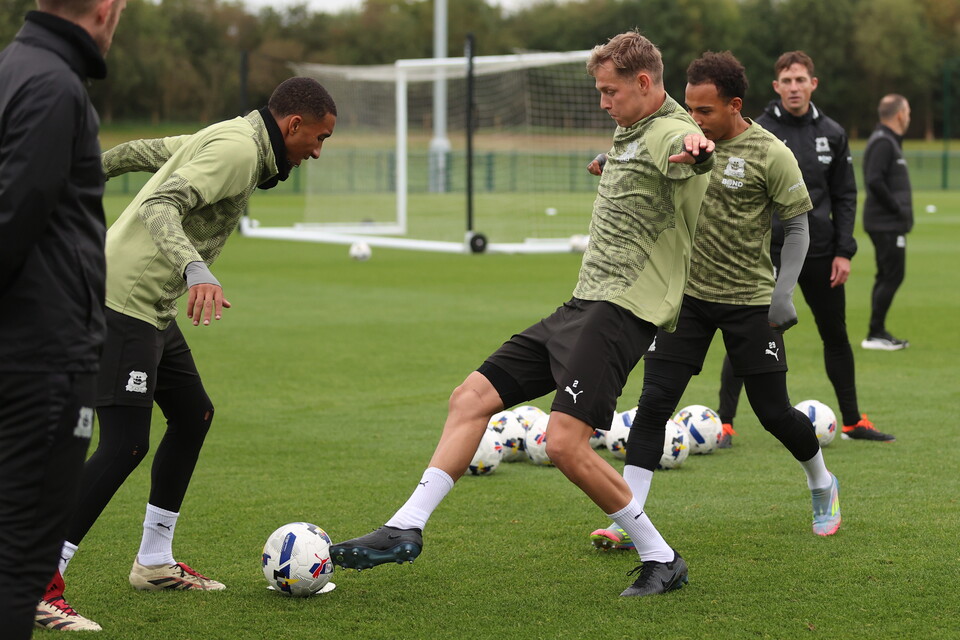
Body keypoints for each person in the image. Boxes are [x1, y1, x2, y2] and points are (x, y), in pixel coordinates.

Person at [329, 31, 715, 598]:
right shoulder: (632, 128)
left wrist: (699, 149)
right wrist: (610, 159)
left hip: (622, 311)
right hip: (582, 305)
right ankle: (405, 527)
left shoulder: (669, 132)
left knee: (563, 444)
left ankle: (662, 557)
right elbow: (642, 148)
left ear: (643, 83)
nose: (602, 103)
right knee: (470, 398)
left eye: (610, 92)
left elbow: (685, 145)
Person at [35, 76, 337, 631]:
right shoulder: (241, 150)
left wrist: (79, 174)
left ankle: (153, 561)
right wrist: (196, 268)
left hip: (149, 304)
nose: (317, 151)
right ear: (293, 125)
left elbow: (141, 154)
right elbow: (160, 202)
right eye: (318, 138)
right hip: (123, 300)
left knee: (193, 414)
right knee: (125, 444)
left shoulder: (233, 135)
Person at [588, 51, 840, 587]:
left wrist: (783, 294)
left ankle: (821, 482)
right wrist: (612, 164)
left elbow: (797, 228)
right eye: (691, 107)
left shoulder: (772, 153)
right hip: (688, 298)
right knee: (655, 402)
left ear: (734, 104)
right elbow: (649, 160)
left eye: (705, 110)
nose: (695, 118)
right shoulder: (679, 137)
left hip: (750, 300)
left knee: (773, 414)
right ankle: (629, 518)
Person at [0, 1, 126, 637]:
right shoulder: (52, 86)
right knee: (20, 558)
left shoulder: (15, 68)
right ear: (105, 9)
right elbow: (14, 215)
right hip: (41, 361)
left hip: (28, 351)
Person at [716, 51, 895, 444]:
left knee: (836, 335)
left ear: (813, 84)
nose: (794, 88)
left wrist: (844, 250)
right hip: (769, 254)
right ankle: (724, 423)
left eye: (801, 80)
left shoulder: (832, 132)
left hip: (822, 254)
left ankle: (852, 421)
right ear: (775, 87)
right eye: (787, 81)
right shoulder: (755, 130)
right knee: (751, 335)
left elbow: (845, 195)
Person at [861, 94, 912, 351]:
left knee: (889, 275)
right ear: (900, 114)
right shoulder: (883, 142)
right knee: (892, 275)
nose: (909, 118)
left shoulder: (888, 141)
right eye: (909, 112)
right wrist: (897, 209)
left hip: (887, 223)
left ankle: (876, 331)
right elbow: (874, 181)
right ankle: (875, 332)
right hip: (885, 223)